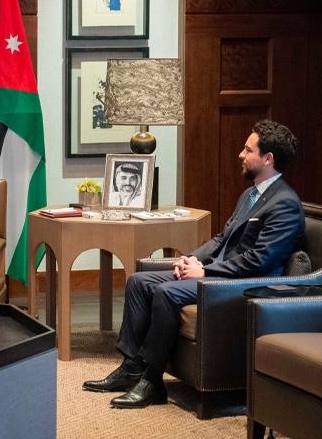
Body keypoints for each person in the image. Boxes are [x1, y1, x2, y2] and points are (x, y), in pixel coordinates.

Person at [83, 120, 304, 408]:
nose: (240, 154)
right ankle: (131, 369)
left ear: (268, 159)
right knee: (138, 282)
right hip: (217, 274)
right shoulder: (250, 195)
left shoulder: (285, 204)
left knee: (166, 293)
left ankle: (152, 381)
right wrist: (190, 259)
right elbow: (222, 238)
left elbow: (260, 260)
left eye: (248, 150)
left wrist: (205, 271)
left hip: (242, 284)